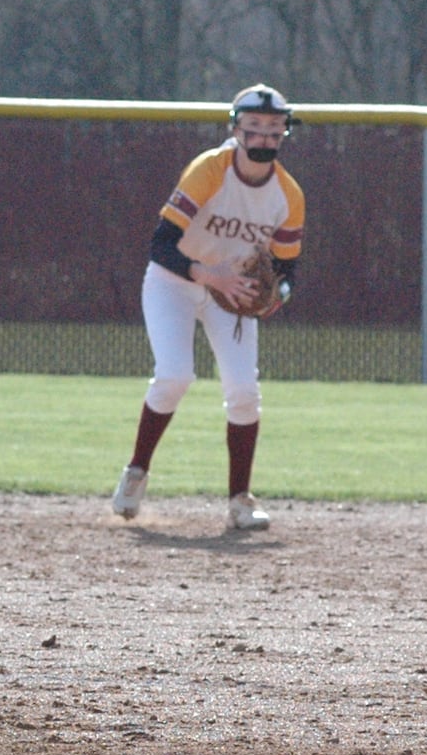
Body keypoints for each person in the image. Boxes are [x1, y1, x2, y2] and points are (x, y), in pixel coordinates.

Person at [111, 84, 305, 530]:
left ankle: (240, 500)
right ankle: (136, 471)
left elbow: (288, 266)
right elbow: (161, 245)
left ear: (284, 134)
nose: (264, 139)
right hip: (174, 282)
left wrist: (277, 295)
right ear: (235, 128)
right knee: (175, 376)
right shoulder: (210, 169)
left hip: (232, 292)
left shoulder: (288, 195)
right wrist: (210, 275)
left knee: (243, 392)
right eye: (254, 128)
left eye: (274, 130)